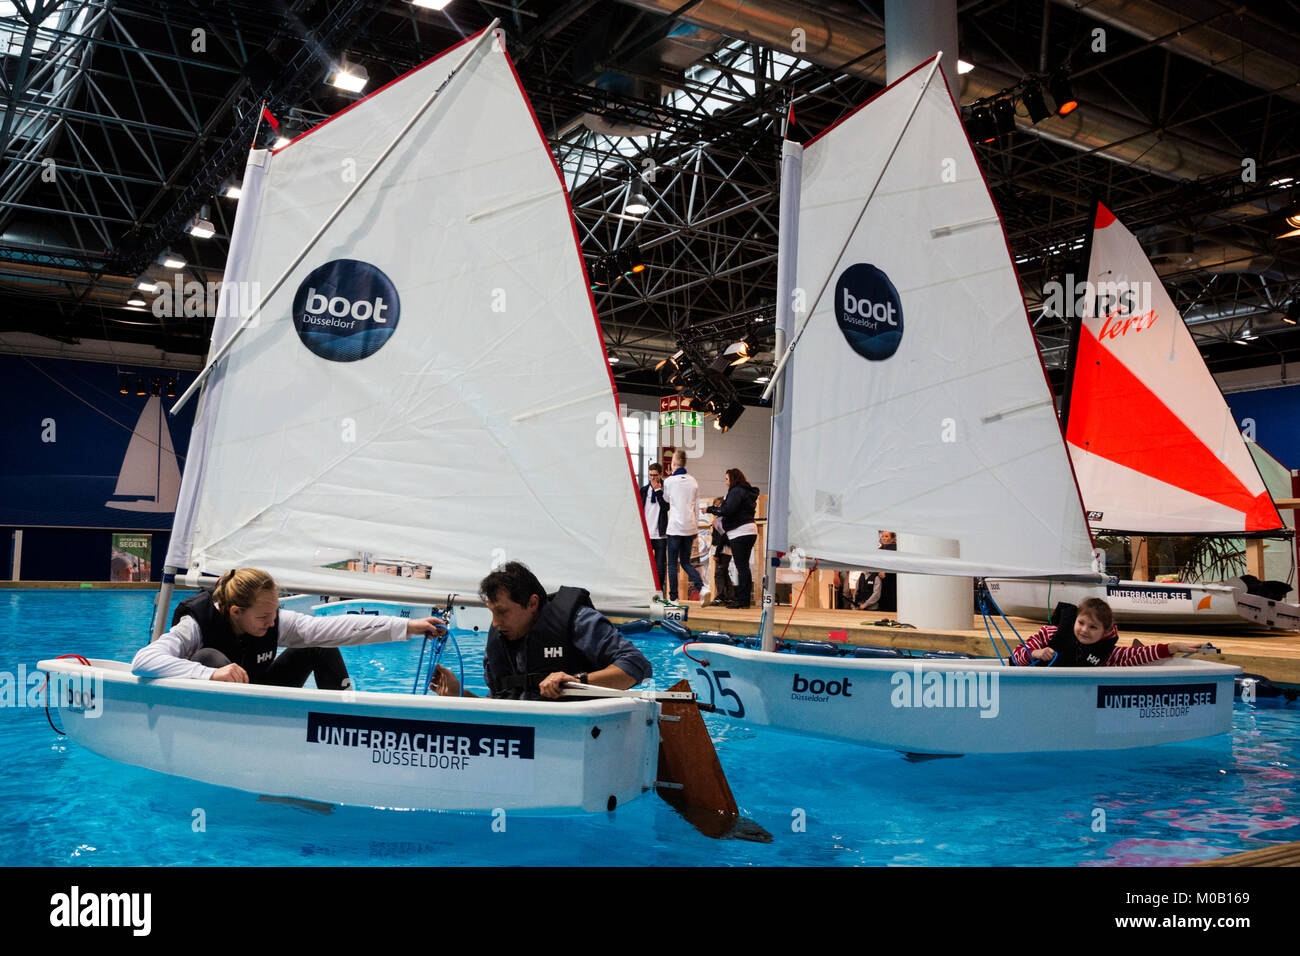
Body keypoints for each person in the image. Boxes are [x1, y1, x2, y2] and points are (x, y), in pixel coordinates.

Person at [132, 567, 446, 687]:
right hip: (219, 712)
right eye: (263, 618)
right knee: (212, 657)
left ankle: (338, 723)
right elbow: (143, 661)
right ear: (236, 611)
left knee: (316, 643)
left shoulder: (272, 620)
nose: (271, 624)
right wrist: (211, 674)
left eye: (274, 614)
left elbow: (337, 628)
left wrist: (408, 626)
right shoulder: (195, 625)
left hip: (262, 700)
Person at [430, 561, 652, 700]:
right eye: (492, 613)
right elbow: (499, 702)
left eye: (503, 612)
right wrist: (460, 695)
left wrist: (578, 681)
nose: (496, 623)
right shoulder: (500, 639)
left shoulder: (578, 622)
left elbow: (638, 666)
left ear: (532, 603)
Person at [1010, 597, 1204, 666]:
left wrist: (1173, 647)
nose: (1084, 630)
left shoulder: (1108, 653)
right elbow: (1014, 658)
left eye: (1093, 627)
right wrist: (1036, 653)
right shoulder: (1049, 634)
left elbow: (1138, 654)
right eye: (1081, 623)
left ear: (1105, 632)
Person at [661, 448, 710, 605]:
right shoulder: (693, 481)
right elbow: (696, 507)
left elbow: (666, 500)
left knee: (672, 564)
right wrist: (696, 528)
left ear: (674, 463)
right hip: (689, 526)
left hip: (675, 526)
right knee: (686, 562)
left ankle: (674, 598)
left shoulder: (669, 482)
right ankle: (702, 586)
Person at [706, 468, 759, 609]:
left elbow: (727, 510)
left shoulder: (736, 491)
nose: (726, 483)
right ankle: (744, 599)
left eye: (727, 479)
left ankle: (742, 601)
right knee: (744, 567)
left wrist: (710, 509)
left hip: (740, 532)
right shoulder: (747, 492)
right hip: (750, 530)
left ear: (733, 479)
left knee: (742, 568)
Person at [640, 462, 670, 597]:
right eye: (650, 475)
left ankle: (659, 593)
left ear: (660, 475)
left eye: (655, 475)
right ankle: (645, 592)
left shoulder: (666, 489)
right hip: (646, 533)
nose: (652, 478)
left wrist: (658, 491)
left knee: (660, 566)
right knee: (644, 564)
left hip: (660, 533)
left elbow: (665, 508)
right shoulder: (644, 490)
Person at [708, 497, 735, 607]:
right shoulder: (719, 520)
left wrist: (717, 553)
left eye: (716, 507)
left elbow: (723, 538)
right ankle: (729, 596)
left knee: (719, 573)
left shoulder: (721, 520)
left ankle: (721, 597)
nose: (714, 509)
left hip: (723, 549)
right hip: (722, 549)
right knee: (723, 572)